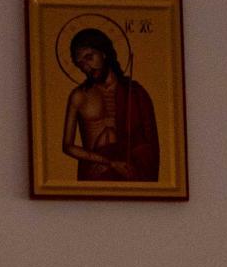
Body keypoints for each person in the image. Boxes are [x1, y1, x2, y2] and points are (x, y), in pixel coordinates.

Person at [60, 28, 159, 182]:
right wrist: (109, 163)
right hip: (95, 170)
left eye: (89, 57)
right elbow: (67, 146)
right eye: (80, 64)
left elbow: (148, 140)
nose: (86, 67)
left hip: (129, 169)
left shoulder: (134, 92)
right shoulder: (79, 96)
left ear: (104, 53)